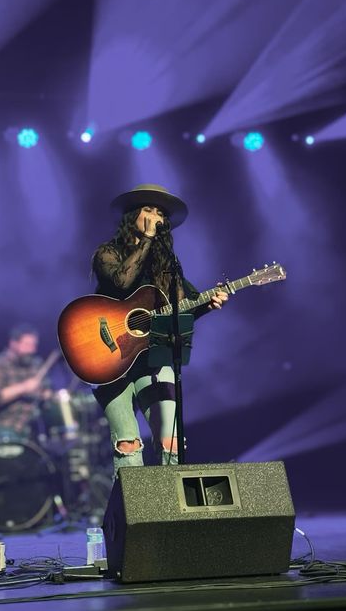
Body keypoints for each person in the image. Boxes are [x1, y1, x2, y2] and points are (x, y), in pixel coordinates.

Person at [91, 183, 228, 475]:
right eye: (148, 209)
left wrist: (208, 304)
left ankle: (170, 502)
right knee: (128, 443)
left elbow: (179, 311)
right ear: (132, 215)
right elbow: (122, 282)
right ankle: (133, 504)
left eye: (160, 213)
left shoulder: (167, 264)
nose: (155, 217)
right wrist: (147, 239)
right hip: (109, 358)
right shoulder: (108, 252)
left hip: (152, 357)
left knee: (170, 439)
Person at [0, 323, 52, 440]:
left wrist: (46, 394)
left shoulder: (36, 363)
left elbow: (47, 391)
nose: (32, 349)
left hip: (34, 427)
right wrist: (24, 387)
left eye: (34, 345)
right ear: (13, 343)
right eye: (27, 345)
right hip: (7, 426)